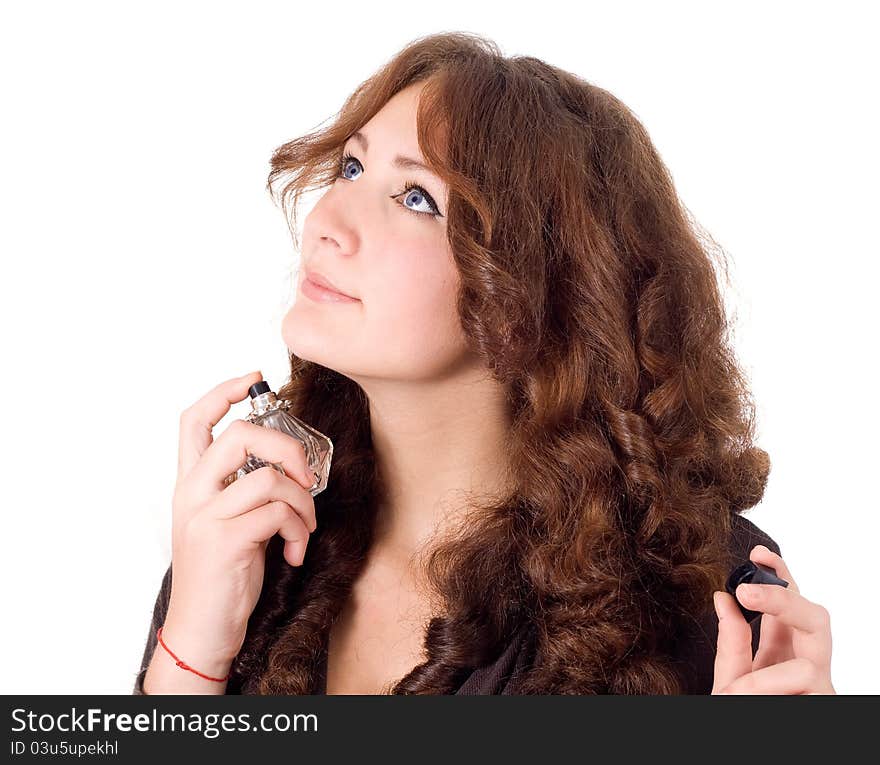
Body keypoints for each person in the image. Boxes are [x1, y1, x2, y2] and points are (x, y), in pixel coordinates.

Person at [134, 31, 835, 695]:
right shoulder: (254, 526)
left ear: (530, 296)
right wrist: (192, 651)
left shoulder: (699, 594)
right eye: (350, 166)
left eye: (416, 199)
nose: (326, 222)